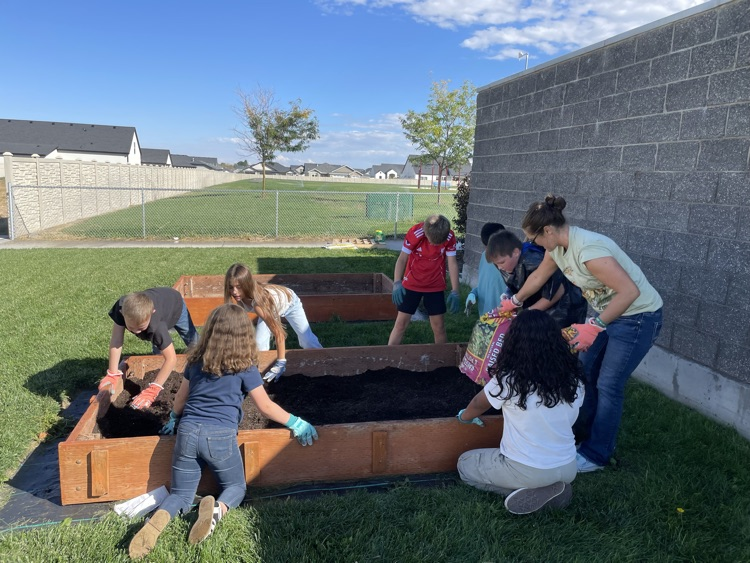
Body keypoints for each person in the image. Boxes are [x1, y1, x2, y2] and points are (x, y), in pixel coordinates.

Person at [128, 303, 318, 559]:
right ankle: (216, 509)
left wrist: (173, 418)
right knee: (236, 487)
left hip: (187, 432)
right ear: (243, 335)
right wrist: (296, 422)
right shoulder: (245, 367)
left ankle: (161, 516)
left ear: (211, 332)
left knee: (181, 495)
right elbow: (265, 406)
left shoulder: (195, 362)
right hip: (219, 436)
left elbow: (181, 401)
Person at [500, 195, 663, 473]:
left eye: (534, 239)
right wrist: (514, 302)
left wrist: (596, 325)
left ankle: (598, 454)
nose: (533, 244)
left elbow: (629, 292)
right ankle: (580, 438)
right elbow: (539, 277)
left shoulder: (589, 250)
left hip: (637, 317)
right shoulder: (557, 248)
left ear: (548, 231)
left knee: (609, 385)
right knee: (584, 375)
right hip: (608, 315)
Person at [456, 309, 584, 515]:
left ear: (514, 343)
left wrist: (464, 418)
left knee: (465, 465)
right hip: (568, 466)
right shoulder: (573, 380)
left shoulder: (510, 380)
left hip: (527, 470)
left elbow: (479, 404)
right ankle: (553, 490)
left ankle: (529, 492)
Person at [99, 288, 199, 410]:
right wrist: (113, 373)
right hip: (158, 308)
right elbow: (116, 341)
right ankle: (159, 375)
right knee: (157, 356)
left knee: (194, 343)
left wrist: (153, 389)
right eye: (131, 327)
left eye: (141, 328)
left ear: (151, 314)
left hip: (175, 305)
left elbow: (171, 359)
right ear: (123, 313)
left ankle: (208, 365)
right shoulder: (123, 308)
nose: (136, 332)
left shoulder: (157, 327)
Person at [224, 263, 322, 383]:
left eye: (239, 287)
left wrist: (281, 362)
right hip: (270, 309)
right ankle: (259, 376)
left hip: (290, 303)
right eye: (231, 287)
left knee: (307, 340)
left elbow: (279, 333)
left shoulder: (259, 304)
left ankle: (324, 364)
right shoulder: (238, 297)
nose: (234, 292)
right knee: (259, 343)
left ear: (247, 284)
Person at [487, 230, 587, 328]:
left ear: (516, 252)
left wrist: (528, 312)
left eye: (501, 262)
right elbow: (516, 283)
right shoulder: (507, 264)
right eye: (496, 264)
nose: (499, 267)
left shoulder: (534, 261)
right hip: (540, 309)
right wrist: (509, 296)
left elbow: (557, 293)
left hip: (565, 310)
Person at [389, 214, 461, 345]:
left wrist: (455, 290)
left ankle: (442, 361)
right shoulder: (415, 233)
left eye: (438, 243)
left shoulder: (449, 236)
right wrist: (397, 282)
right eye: (432, 241)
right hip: (411, 283)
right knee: (400, 324)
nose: (434, 245)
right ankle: (388, 359)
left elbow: (452, 263)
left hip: (435, 285)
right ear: (426, 232)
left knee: (439, 327)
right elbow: (402, 259)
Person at [464, 222, 508, 317]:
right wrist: (474, 293)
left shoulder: (510, 263)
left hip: (504, 318)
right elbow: (485, 285)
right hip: (486, 315)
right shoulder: (485, 256)